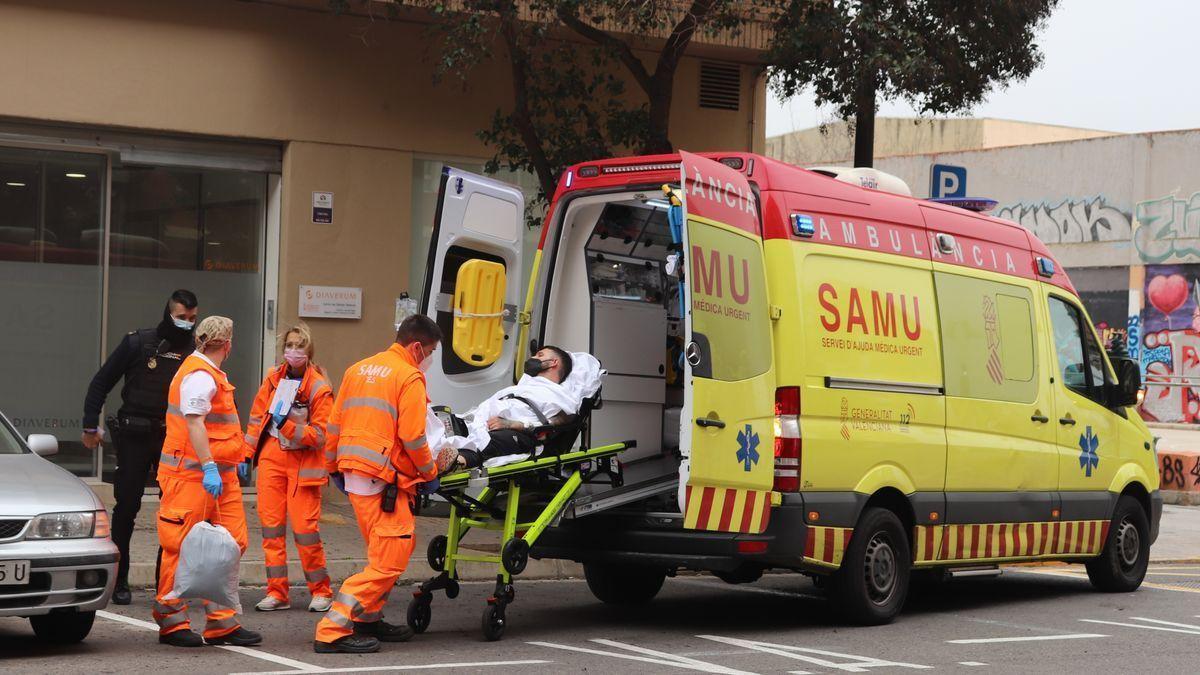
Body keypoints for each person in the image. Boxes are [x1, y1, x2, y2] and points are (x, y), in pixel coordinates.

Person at [313, 315, 453, 654]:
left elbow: (335, 422)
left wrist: (333, 466)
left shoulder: (358, 369)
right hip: (384, 480)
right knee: (389, 560)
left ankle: (368, 617)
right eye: (431, 351)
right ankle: (332, 629)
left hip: (358, 475)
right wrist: (429, 472)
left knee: (380, 552)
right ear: (417, 347)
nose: (430, 359)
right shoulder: (409, 376)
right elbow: (413, 435)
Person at [81, 289, 198, 605]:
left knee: (172, 512)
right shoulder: (138, 343)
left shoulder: (195, 350)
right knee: (126, 508)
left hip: (172, 439)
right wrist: (90, 424)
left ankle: (167, 580)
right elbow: (101, 382)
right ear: (167, 313)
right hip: (135, 435)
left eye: (192, 318)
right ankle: (119, 581)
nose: (187, 324)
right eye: (181, 317)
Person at [153, 316, 262, 648]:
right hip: (191, 477)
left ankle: (221, 621)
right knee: (181, 546)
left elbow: (211, 426)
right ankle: (171, 621)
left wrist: (227, 463)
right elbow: (195, 423)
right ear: (227, 344)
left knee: (231, 543)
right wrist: (211, 466)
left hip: (217, 476)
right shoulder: (199, 376)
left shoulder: (208, 373)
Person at [244, 323, 335, 613]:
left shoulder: (319, 387)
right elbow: (257, 418)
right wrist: (245, 455)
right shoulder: (273, 378)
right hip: (272, 456)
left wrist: (287, 425)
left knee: (305, 531)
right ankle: (277, 592)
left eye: (299, 346)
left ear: (309, 351)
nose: (293, 351)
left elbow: (321, 435)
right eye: (289, 345)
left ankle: (321, 591)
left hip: (303, 464)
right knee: (271, 530)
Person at [443, 345, 576, 470]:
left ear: (553, 362)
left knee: (488, 442)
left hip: (518, 433)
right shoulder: (520, 389)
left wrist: (512, 424)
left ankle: (456, 462)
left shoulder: (559, 395)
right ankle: (430, 455)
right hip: (482, 422)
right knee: (443, 420)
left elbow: (557, 423)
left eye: (540, 355)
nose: (533, 358)